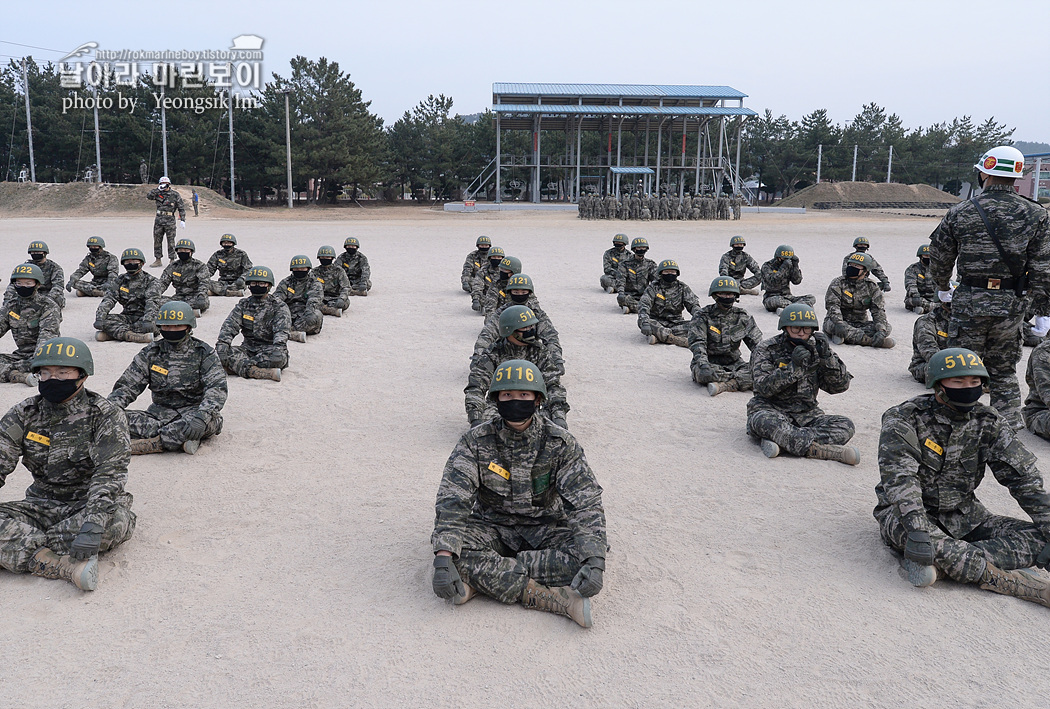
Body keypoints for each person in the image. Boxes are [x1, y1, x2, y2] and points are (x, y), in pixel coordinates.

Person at [432, 359, 606, 628]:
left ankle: (484, 579)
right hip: (492, 526)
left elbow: (585, 502)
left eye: (524, 394)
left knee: (585, 554)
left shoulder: (560, 442)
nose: (515, 400)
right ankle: (550, 597)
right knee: (455, 551)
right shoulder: (475, 441)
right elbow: (453, 497)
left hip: (545, 528)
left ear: (538, 399)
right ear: (496, 399)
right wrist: (444, 558)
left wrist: (594, 560)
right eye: (507, 395)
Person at [874, 347, 1050, 609]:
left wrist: (1047, 521)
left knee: (1042, 537)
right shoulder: (904, 418)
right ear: (938, 385)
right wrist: (918, 530)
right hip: (907, 515)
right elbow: (901, 480)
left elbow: (1023, 479)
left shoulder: (989, 421)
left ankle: (944, 568)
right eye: (958, 381)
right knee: (923, 542)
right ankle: (1012, 582)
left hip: (966, 515)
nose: (968, 387)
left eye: (975, 382)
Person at [0, 337, 136, 591]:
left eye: (63, 373)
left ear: (82, 376)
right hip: (40, 506)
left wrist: (94, 521)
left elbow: (110, 474)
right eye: (46, 373)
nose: (53, 379)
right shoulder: (24, 413)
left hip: (88, 505)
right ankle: (58, 563)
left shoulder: (105, 414)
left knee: (116, 522)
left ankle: (18, 547)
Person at [929, 145, 1050, 430]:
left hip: (970, 300)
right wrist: (1034, 307)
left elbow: (939, 257)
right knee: (1004, 371)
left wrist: (943, 289)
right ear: (1017, 177)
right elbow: (1045, 268)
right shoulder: (1037, 215)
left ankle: (953, 427)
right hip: (1011, 304)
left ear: (984, 172)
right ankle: (1005, 432)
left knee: (958, 367)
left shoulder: (960, 211)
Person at [108, 301, 227, 456]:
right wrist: (108, 411)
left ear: (188, 327)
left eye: (178, 326)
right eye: (167, 326)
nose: (172, 330)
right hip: (157, 416)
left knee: (209, 423)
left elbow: (216, 389)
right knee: (113, 418)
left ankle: (151, 443)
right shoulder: (150, 353)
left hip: (193, 414)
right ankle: (175, 440)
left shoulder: (204, 353)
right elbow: (127, 386)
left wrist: (202, 416)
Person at [746, 303, 858, 464]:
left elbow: (839, 386)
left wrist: (827, 358)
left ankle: (784, 442)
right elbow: (763, 388)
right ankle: (818, 450)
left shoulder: (818, 348)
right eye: (796, 328)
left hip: (807, 414)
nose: (801, 333)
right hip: (771, 410)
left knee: (846, 426)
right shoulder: (766, 349)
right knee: (763, 422)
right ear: (785, 328)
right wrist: (793, 367)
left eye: (806, 329)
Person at [465, 307, 569, 428]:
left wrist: (558, 416)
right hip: (501, 405)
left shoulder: (540, 352)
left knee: (546, 424)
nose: (530, 331)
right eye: (525, 328)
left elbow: (553, 385)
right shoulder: (493, 354)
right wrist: (476, 418)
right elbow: (476, 387)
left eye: (531, 327)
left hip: (531, 404)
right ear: (510, 330)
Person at [473, 273, 563, 372]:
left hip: (531, 354)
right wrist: (478, 356)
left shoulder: (536, 312)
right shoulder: (502, 312)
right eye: (516, 292)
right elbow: (487, 334)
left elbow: (550, 336)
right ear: (510, 292)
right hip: (505, 352)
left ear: (529, 292)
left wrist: (556, 359)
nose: (520, 295)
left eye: (523, 291)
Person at [688, 276, 762, 396]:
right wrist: (703, 363)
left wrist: (762, 364)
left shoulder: (742, 317)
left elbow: (758, 345)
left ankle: (726, 385)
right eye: (723, 294)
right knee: (704, 374)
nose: (727, 297)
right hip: (709, 363)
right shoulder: (702, 316)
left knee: (761, 372)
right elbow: (697, 343)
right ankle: (739, 381)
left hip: (735, 363)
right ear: (715, 295)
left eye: (730, 294)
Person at [215, 266, 290, 381]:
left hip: (270, 350)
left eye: (261, 284)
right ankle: (255, 372)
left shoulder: (279, 307)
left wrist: (277, 348)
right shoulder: (243, 304)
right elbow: (230, 325)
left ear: (269, 286)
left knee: (279, 357)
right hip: (247, 349)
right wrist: (223, 344)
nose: (257, 286)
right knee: (218, 353)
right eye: (254, 283)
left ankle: (239, 368)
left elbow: (281, 334)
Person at [0, 264, 61, 385]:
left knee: (44, 365)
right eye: (19, 283)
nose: (23, 287)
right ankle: (18, 376)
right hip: (21, 356)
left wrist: (34, 361)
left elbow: (46, 337)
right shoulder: (10, 306)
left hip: (45, 356)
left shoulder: (48, 306)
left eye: (28, 284)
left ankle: (17, 372)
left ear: (37, 284)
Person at [823, 252, 895, 348]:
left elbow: (878, 311)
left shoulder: (872, 286)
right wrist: (839, 323)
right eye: (850, 264)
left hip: (860, 322)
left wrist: (881, 330)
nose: (851, 267)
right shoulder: (838, 283)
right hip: (838, 321)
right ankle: (869, 341)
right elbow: (832, 306)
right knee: (835, 327)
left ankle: (849, 337)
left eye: (856, 266)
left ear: (865, 271)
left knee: (886, 327)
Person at [94, 248, 161, 344]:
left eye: (134, 261)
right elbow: (109, 299)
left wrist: (148, 319)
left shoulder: (151, 281)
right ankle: (134, 336)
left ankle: (114, 334)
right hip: (127, 316)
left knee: (154, 325)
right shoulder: (119, 280)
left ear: (142, 263)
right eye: (128, 262)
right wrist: (100, 317)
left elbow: (152, 302)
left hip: (145, 317)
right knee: (105, 320)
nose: (131, 263)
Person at [637, 259, 700, 347]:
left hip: (676, 323)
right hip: (657, 322)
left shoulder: (682, 287)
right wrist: (644, 321)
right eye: (666, 272)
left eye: (672, 272)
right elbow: (644, 305)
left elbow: (693, 305)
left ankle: (659, 337)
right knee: (644, 322)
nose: (670, 274)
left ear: (677, 273)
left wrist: (701, 318)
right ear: (661, 273)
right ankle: (675, 339)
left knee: (698, 325)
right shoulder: (653, 287)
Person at [274, 255, 323, 341]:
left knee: (315, 316)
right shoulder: (286, 282)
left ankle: (285, 331)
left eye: (302, 269)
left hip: (305, 313)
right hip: (288, 313)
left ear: (308, 269)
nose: (299, 271)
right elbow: (277, 298)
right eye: (296, 269)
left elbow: (314, 299)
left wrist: (308, 313)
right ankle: (291, 333)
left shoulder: (314, 283)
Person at [4, 241, 65, 310]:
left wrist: (48, 299)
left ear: (44, 253)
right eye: (33, 252)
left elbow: (58, 287)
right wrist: (7, 300)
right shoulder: (26, 267)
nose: (35, 254)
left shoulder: (54, 268)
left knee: (57, 300)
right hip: (30, 291)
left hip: (47, 293)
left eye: (38, 252)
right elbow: (13, 284)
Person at [909, 290, 952, 384]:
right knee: (948, 374)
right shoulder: (926, 321)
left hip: (960, 362)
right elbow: (930, 351)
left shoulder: (962, 321)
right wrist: (954, 365)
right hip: (928, 364)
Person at [158, 238, 210, 316]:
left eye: (186, 250)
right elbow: (163, 283)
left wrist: (201, 295)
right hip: (178, 298)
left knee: (202, 303)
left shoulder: (200, 266)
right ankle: (188, 311)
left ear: (191, 252)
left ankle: (173, 310)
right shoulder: (173, 266)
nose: (183, 252)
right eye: (180, 250)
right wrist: (155, 294)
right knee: (154, 300)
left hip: (195, 297)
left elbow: (204, 283)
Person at [760, 244, 815, 313]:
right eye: (784, 258)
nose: (786, 260)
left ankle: (789, 308)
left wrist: (795, 266)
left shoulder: (789, 265)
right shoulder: (767, 266)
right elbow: (773, 282)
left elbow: (796, 281)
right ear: (778, 257)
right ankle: (800, 307)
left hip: (787, 296)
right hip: (772, 296)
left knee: (811, 298)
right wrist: (783, 268)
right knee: (776, 301)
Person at [146, 176, 186, 268]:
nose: (163, 186)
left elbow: (181, 208)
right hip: (159, 220)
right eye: (161, 184)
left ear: (169, 184)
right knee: (157, 240)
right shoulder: (157, 193)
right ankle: (158, 259)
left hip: (170, 220)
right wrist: (157, 189)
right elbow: (149, 196)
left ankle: (172, 260)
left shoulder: (175, 195)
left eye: (165, 184)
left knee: (171, 241)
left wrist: (183, 219)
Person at [615, 237, 657, 314]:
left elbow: (656, 281)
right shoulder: (624, 264)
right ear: (634, 249)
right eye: (639, 247)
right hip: (629, 296)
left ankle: (633, 309)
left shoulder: (650, 264)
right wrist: (621, 292)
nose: (641, 249)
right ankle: (646, 310)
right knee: (622, 299)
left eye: (643, 247)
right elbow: (621, 280)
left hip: (645, 295)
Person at [311, 246, 351, 317]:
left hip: (336, 298)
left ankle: (326, 309)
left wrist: (342, 298)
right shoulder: (314, 272)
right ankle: (331, 310)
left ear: (332, 258)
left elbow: (346, 287)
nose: (325, 259)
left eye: (327, 258)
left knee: (345, 302)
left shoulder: (339, 271)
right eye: (322, 258)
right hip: (320, 298)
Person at [471, 246, 505, 313]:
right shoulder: (483, 271)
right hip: (487, 297)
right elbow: (477, 285)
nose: (496, 259)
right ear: (489, 258)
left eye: (498, 257)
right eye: (494, 257)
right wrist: (476, 299)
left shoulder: (506, 271)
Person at [904, 244, 936, 314]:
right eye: (926, 256)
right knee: (914, 301)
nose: (928, 258)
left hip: (935, 297)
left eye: (929, 256)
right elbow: (910, 284)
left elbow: (946, 282)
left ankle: (927, 308)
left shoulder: (938, 268)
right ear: (921, 256)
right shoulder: (913, 269)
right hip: (919, 297)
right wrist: (915, 294)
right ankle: (934, 308)